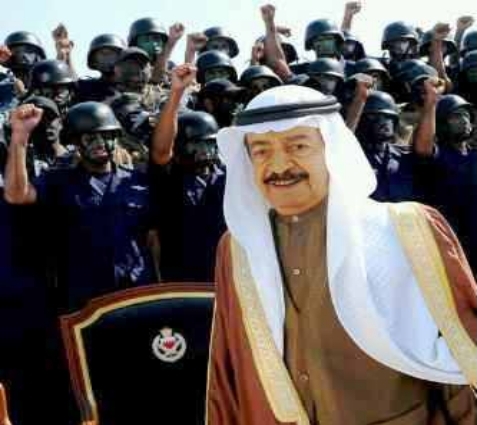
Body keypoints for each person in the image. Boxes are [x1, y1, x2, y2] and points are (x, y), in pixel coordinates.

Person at [206, 85, 477, 425]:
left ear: (332, 149)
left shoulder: (407, 228)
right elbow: (230, 368)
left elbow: (463, 349)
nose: (279, 165)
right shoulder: (237, 249)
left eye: (298, 146)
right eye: (261, 151)